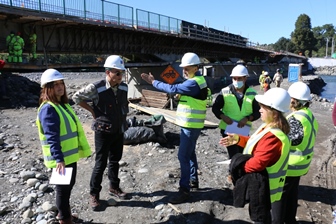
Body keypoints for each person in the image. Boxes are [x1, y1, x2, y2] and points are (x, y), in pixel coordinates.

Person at [141, 52, 208, 204]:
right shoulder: (199, 80)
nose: (184, 70)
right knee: (190, 154)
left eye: (188, 68)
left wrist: (154, 82)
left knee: (183, 156)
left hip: (191, 125)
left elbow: (172, 88)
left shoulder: (193, 82)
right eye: (183, 67)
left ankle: (184, 190)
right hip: (191, 124)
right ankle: (193, 180)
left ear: (196, 67)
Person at [219, 88, 291, 223]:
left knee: (260, 218)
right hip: (262, 186)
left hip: (265, 188)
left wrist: (236, 169)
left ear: (274, 112)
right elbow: (256, 142)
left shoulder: (273, 136)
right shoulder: (268, 127)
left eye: (263, 107)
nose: (259, 110)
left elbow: (258, 163)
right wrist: (239, 139)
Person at [72, 55, 130, 211]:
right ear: (108, 72)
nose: (120, 76)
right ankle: (94, 194)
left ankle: (114, 187)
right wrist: (92, 110)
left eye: (121, 73)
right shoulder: (96, 88)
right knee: (100, 163)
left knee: (115, 160)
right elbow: (76, 97)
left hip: (118, 130)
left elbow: (124, 105)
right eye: (116, 73)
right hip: (103, 132)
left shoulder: (124, 87)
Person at [36, 68, 91, 224]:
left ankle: (65, 213)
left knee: (68, 187)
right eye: (55, 85)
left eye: (61, 83)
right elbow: (52, 138)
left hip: (69, 156)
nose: (60, 87)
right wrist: (59, 159)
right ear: (47, 88)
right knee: (62, 190)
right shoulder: (48, 109)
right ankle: (64, 219)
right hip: (61, 160)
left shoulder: (62, 104)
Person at [272, 82, 318, 224]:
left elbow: (287, 141)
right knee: (291, 195)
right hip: (301, 164)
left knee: (279, 197)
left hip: (290, 165)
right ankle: (290, 220)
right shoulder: (308, 115)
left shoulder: (296, 119)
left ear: (295, 100)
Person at [212, 64, 260, 159]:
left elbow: (257, 112)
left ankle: (238, 172)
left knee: (242, 154)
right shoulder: (225, 91)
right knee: (234, 155)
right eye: (234, 78)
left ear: (245, 78)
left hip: (243, 130)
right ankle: (233, 172)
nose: (236, 81)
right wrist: (223, 116)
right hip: (228, 129)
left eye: (239, 78)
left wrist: (247, 118)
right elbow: (215, 108)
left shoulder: (253, 93)